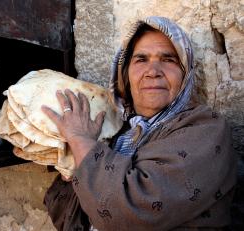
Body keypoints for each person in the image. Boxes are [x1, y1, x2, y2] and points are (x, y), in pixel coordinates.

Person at [41, 16, 237, 230]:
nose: (153, 71)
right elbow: (70, 216)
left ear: (186, 74)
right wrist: (73, 165)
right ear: (124, 74)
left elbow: (129, 209)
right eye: (141, 59)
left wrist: (80, 141)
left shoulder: (206, 131)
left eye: (169, 59)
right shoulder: (114, 133)